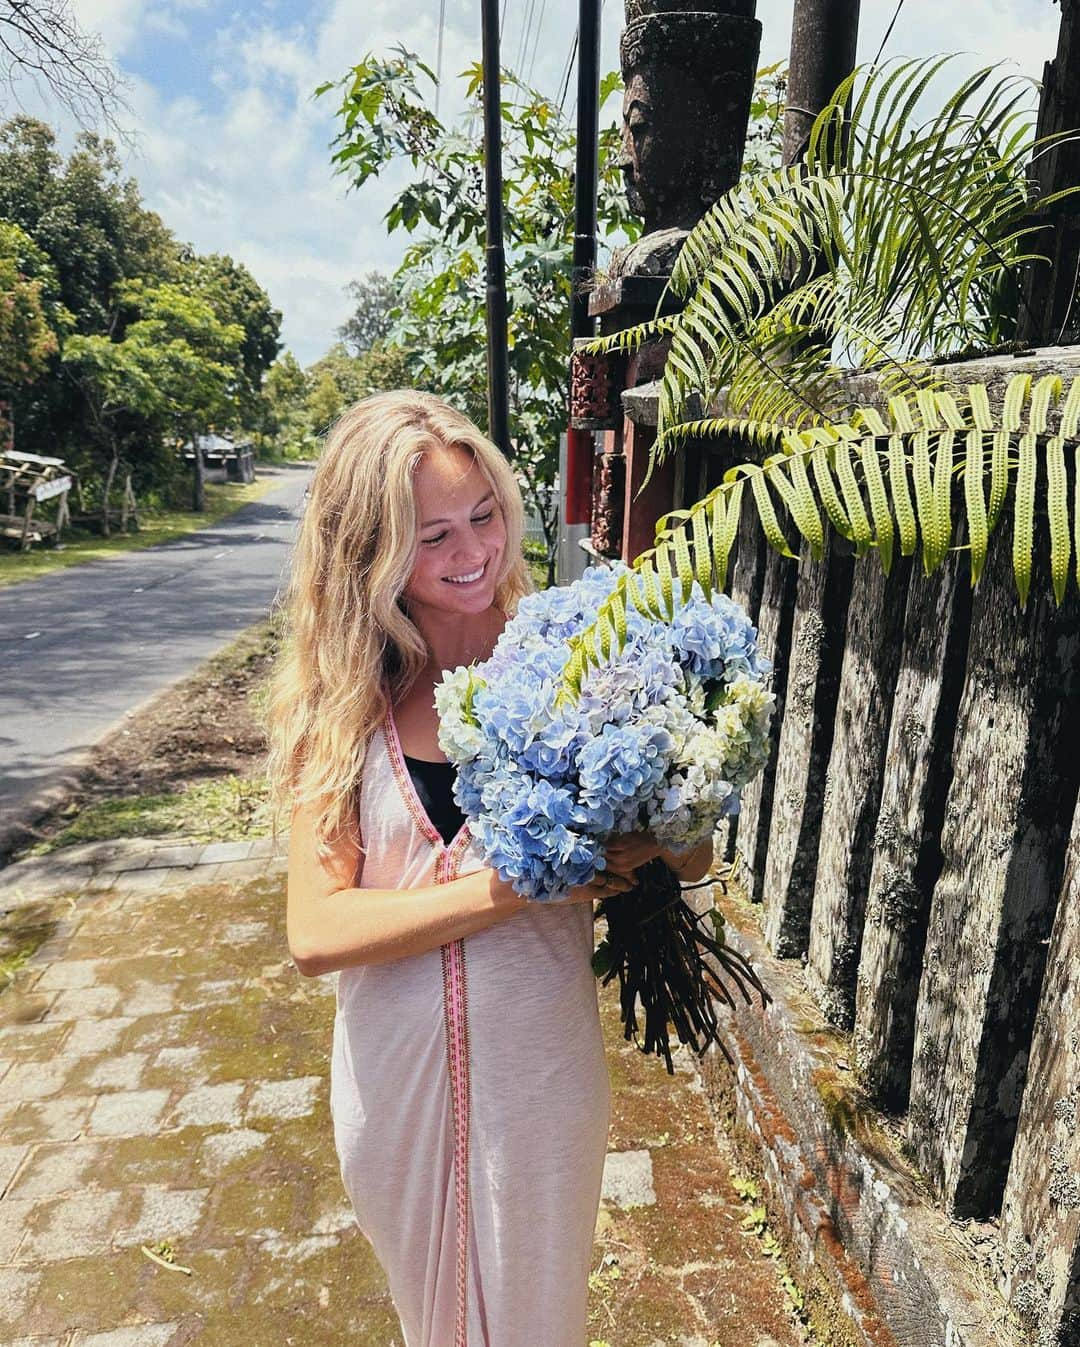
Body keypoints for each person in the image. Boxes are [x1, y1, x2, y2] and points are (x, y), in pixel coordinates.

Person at [265, 390, 711, 1347]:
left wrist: (654, 832)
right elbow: (317, 932)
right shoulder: (342, 706)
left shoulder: (581, 662)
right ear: (371, 550)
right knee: (433, 1323)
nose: (471, 551)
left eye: (485, 515)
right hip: (393, 1084)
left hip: (540, 1076)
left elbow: (694, 846)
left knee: (540, 1323)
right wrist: (509, 887)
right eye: (431, 536)